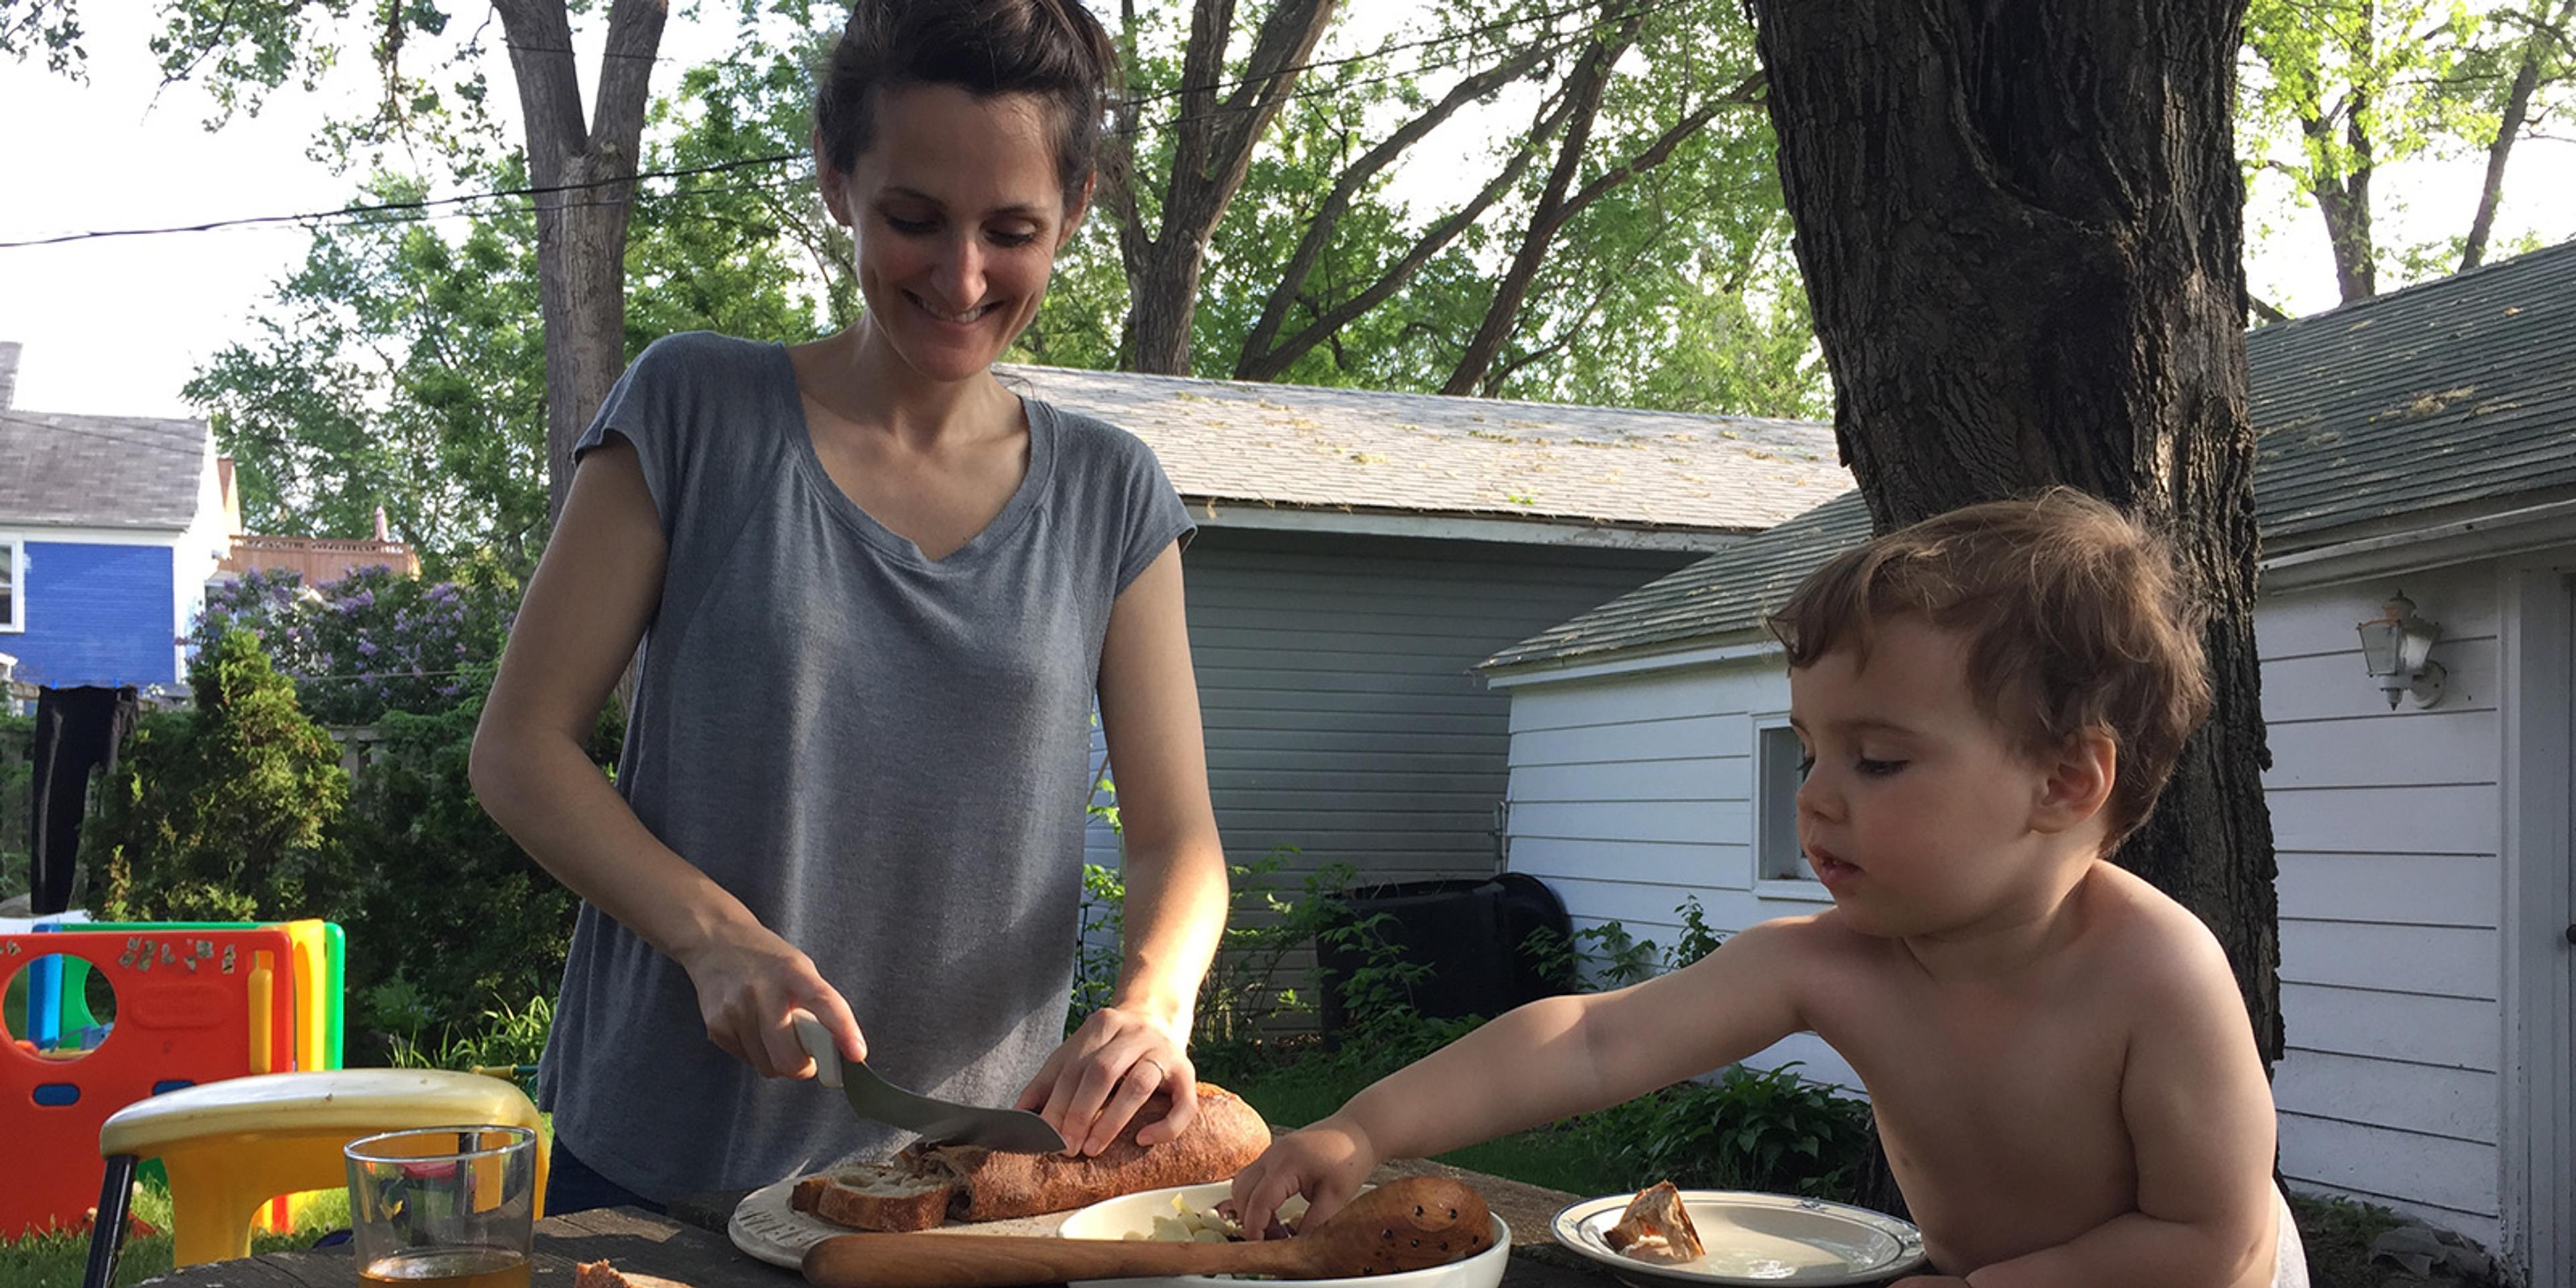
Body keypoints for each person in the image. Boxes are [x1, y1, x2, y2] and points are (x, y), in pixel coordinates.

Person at [470, 0, 1231, 1213]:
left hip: (957, 1187)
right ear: (835, 177)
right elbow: (519, 751)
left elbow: (1175, 839)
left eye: (1014, 230)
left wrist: (1153, 1001)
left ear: (1076, 210)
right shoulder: (694, 409)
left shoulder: (1111, 492)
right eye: (915, 219)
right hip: (652, 1169)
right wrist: (713, 935)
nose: (963, 276)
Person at [1230, 491, 2307, 1287]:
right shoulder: (1831, 963)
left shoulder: (2157, 977)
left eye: (1877, 762)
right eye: (1808, 751)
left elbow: (2209, 1241)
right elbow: (1594, 1041)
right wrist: (1363, 1129)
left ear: (2067, 782)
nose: (1815, 798)